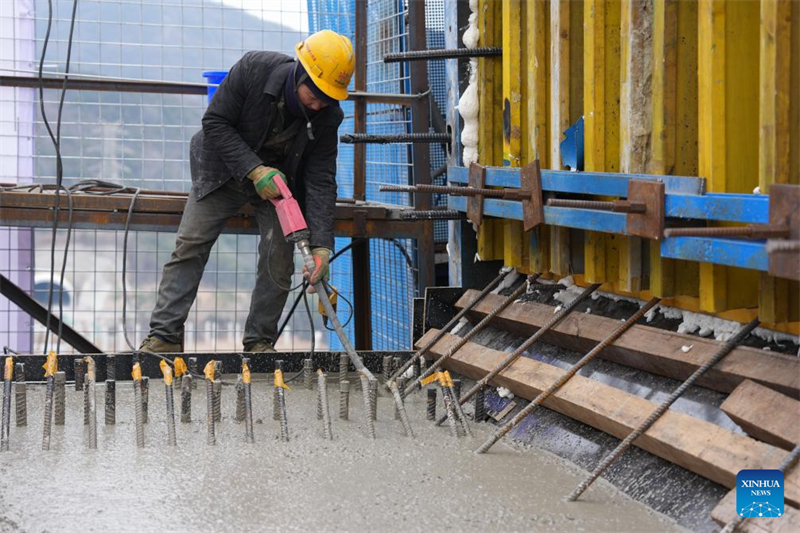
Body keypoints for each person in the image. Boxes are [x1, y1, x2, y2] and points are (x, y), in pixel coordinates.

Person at [139, 30, 355, 354]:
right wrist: (255, 170)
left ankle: (259, 343)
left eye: (329, 95)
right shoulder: (254, 69)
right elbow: (214, 123)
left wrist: (322, 246)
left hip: (279, 185)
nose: (320, 102)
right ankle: (164, 338)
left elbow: (321, 179)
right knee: (190, 244)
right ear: (300, 72)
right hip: (222, 169)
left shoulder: (329, 116)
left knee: (279, 257)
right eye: (316, 92)